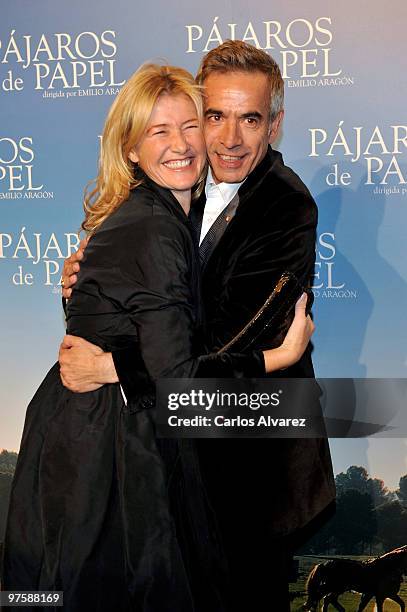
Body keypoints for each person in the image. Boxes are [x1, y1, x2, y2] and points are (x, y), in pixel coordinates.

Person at [1, 62, 314, 612]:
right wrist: (83, 291)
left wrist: (116, 365)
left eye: (249, 119)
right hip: (128, 436)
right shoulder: (167, 201)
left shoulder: (284, 205)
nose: (222, 138)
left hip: (240, 452)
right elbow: (142, 318)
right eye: (212, 116)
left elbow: (222, 334)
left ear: (275, 125)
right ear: (131, 147)